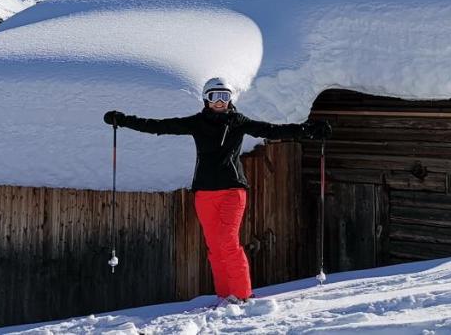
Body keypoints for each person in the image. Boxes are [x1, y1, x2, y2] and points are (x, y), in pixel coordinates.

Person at [103, 77, 331, 305]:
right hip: (204, 193)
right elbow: (159, 126)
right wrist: (123, 121)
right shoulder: (197, 123)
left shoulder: (238, 121)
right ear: (206, 99)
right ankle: (225, 296)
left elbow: (270, 130)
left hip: (232, 190)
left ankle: (243, 295)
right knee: (214, 247)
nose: (220, 101)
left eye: (225, 96)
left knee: (228, 242)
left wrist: (307, 130)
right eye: (215, 96)